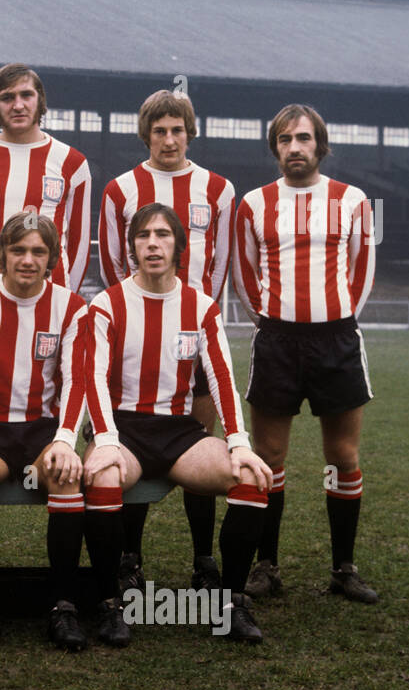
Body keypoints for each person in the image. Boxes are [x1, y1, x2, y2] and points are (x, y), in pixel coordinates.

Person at [84, 203, 273, 644]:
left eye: (163, 235)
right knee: (104, 476)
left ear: (179, 246)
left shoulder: (201, 306)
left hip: (178, 432)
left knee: (249, 476)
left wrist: (239, 442)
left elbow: (221, 377)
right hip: (122, 430)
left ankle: (231, 603)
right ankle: (110, 603)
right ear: (132, 247)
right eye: (143, 235)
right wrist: (105, 438)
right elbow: (91, 377)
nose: (153, 244)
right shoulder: (107, 303)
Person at [233, 104, 378, 604]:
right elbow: (245, 274)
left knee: (342, 455)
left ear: (320, 144)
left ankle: (343, 569)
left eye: (303, 138)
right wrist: (272, 321)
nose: (294, 148)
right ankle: (266, 566)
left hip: (337, 341)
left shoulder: (353, 200)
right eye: (284, 140)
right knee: (269, 456)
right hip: (276, 341)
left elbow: (362, 270)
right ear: (274, 148)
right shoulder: (253, 203)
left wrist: (335, 318)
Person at [96, 89, 237, 593]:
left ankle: (204, 558)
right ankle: (129, 557)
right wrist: (139, 317)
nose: (169, 139)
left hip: (193, 336)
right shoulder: (120, 189)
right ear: (146, 135)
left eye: (177, 130)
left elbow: (220, 264)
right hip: (138, 336)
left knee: (198, 439)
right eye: (159, 131)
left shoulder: (218, 189)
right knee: (132, 441)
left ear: (190, 133)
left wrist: (196, 320)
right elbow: (114, 263)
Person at [0, 212, 89, 650]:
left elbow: (78, 380)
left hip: (42, 433)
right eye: (18, 250)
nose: (28, 260)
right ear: (1, 255)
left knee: (65, 474)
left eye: (38, 251)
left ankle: (63, 606)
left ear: (51, 259)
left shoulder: (71, 305)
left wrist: (65, 441)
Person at [0, 63, 91, 292]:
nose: (18, 105)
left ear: (40, 100)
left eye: (26, 95)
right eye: (7, 98)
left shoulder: (72, 162)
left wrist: (65, 297)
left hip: (51, 298)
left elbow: (79, 244)